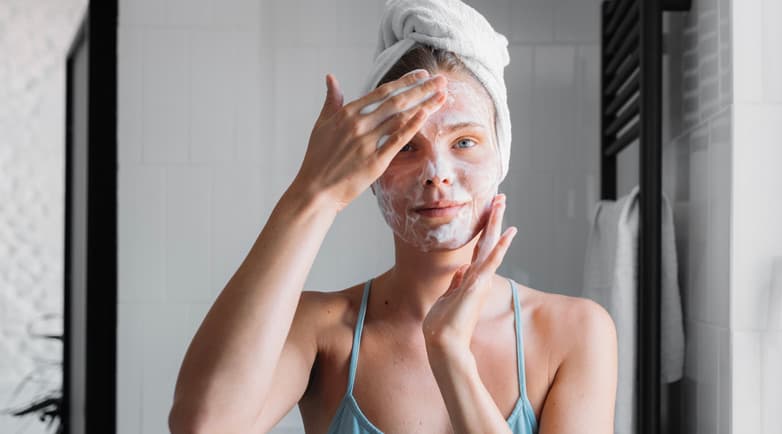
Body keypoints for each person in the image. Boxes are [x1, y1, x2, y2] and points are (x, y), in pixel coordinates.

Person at [169, 2, 617, 433]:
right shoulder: (322, 331)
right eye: (406, 146)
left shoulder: (574, 331)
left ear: (501, 155)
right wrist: (313, 192)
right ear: (372, 172)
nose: (436, 174)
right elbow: (202, 426)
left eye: (464, 142)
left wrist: (451, 356)